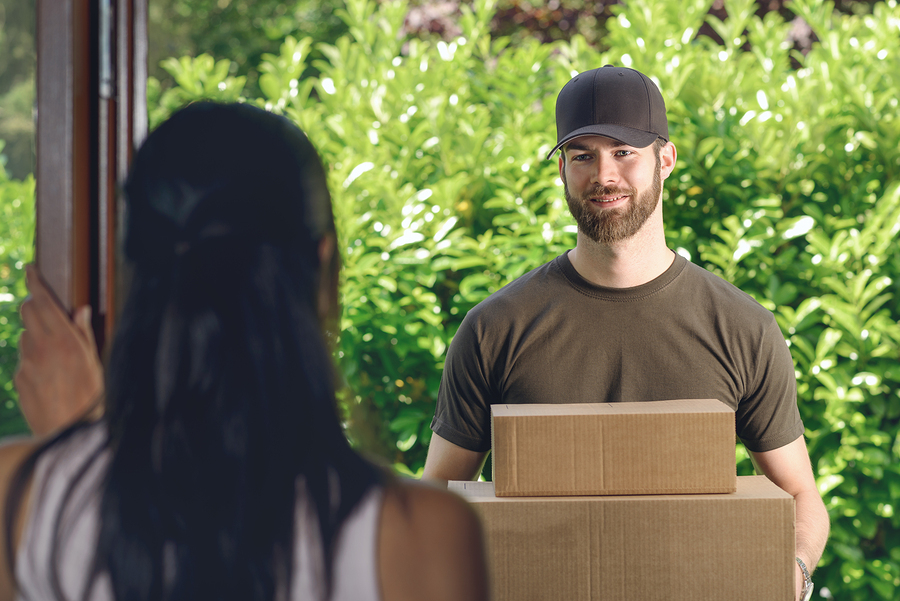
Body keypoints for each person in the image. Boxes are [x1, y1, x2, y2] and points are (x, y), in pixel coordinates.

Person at [1, 102, 488, 601]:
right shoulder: (422, 533)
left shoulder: (17, 495)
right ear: (323, 272)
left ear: (133, 276)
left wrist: (75, 445)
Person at [422, 65, 829, 601]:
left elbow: (799, 493)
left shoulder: (741, 327)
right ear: (563, 169)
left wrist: (792, 572)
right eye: (582, 155)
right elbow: (437, 499)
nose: (603, 175)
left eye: (623, 152)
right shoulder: (495, 329)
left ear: (666, 159)